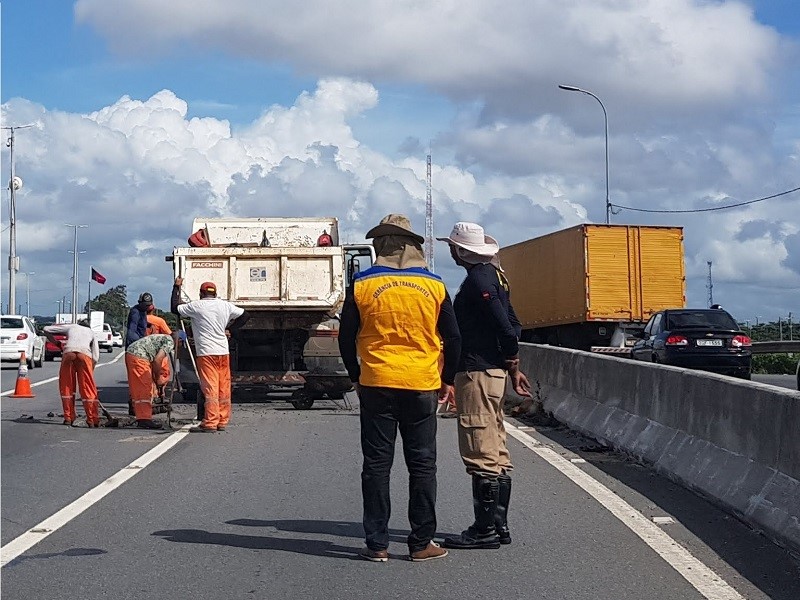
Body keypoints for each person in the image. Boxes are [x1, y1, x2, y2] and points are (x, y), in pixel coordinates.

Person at [338, 214, 462, 563]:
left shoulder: (362, 285)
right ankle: (421, 543)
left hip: (376, 382)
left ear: (380, 246)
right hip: (422, 384)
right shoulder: (435, 286)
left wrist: (354, 375)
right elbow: (453, 338)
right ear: (413, 247)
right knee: (422, 465)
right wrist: (448, 379)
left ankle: (377, 545)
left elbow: (347, 337)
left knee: (376, 465)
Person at [437, 222, 532, 550]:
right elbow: (514, 325)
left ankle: (484, 529)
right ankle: (499, 526)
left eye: (453, 247)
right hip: (492, 372)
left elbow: (507, 329)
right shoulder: (495, 277)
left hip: (477, 372)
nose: (450, 251)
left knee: (480, 448)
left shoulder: (477, 280)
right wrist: (510, 364)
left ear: (462, 251)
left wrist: (512, 359)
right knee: (496, 448)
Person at [171, 278, 249, 432]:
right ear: (215, 294)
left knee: (211, 387)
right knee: (223, 387)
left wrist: (176, 287)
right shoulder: (224, 305)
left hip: (207, 353)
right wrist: (231, 330)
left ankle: (210, 422)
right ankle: (222, 419)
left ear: (201, 293)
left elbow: (175, 308)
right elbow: (245, 316)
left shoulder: (197, 306)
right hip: (223, 352)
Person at [44, 320, 101, 427]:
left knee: (66, 386)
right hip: (85, 355)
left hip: (68, 353)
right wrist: (90, 370)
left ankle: (68, 418)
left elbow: (46, 329)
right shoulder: (91, 332)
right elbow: (96, 356)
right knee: (87, 388)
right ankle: (92, 419)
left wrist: (56, 343)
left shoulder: (72, 327)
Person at [125, 333, 176, 429]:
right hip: (139, 356)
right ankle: (144, 419)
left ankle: (141, 417)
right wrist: (157, 378)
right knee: (145, 388)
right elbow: (157, 360)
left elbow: (155, 360)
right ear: (179, 341)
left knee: (139, 388)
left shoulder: (163, 338)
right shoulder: (170, 342)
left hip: (133, 353)